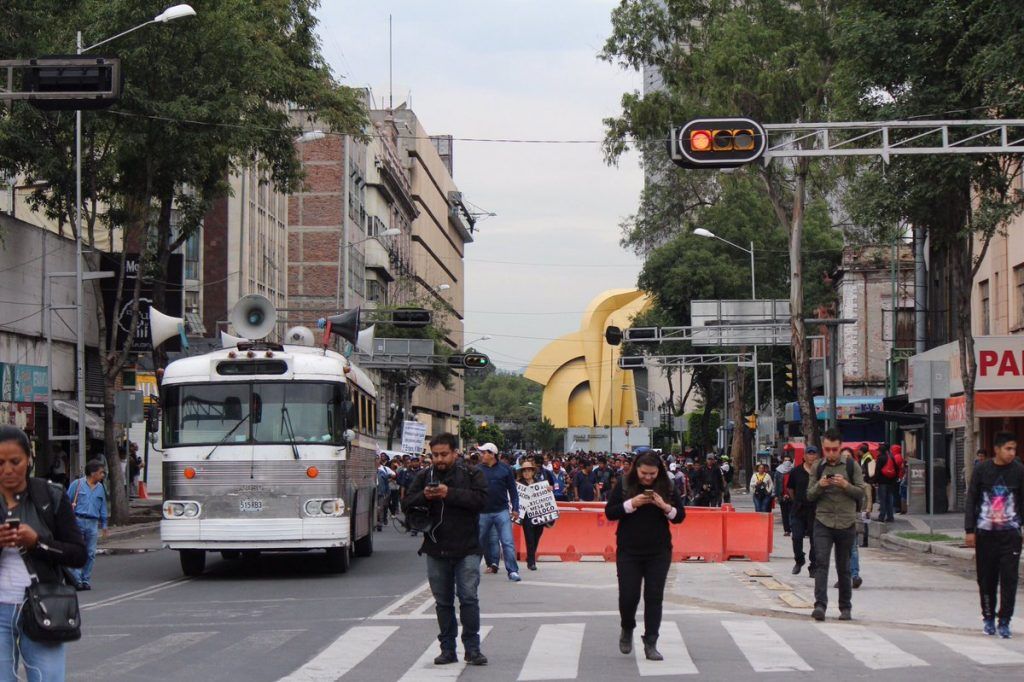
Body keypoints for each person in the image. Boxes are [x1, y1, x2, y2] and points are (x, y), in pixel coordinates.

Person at [0, 425, 87, 680]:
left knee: (48, 677)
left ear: (28, 459)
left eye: (14, 461)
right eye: (0, 462)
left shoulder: (51, 496)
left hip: (44, 606)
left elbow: (78, 554)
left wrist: (37, 543)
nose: (7, 469)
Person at [401, 433, 489, 666]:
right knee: (443, 602)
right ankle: (447, 649)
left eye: (444, 454)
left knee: (468, 598)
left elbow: (482, 501)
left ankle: (472, 648)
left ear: (455, 453)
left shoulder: (472, 473)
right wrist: (425, 495)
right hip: (435, 547)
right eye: (435, 455)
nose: (439, 459)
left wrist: (449, 493)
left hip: (467, 547)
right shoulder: (423, 475)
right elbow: (406, 503)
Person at [605, 452, 686, 662]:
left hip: (659, 551)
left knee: (654, 597)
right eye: (644, 473)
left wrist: (665, 507)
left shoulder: (666, 485)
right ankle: (627, 627)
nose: (648, 478)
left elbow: (680, 516)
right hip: (629, 550)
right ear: (636, 469)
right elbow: (610, 513)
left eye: (652, 473)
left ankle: (651, 642)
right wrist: (632, 504)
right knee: (628, 596)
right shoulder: (624, 483)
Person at [964, 430, 1024, 638]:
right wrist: (969, 530)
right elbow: (972, 499)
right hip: (986, 534)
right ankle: (988, 617)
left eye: (1014, 448)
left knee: (1009, 579)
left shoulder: (1019, 470)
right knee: (986, 578)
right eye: (1008, 448)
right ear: (997, 449)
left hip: (1010, 534)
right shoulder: (982, 470)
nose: (1011, 452)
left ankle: (1005, 620)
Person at [807, 428, 865, 621]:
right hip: (823, 521)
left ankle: (845, 608)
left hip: (846, 522)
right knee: (821, 564)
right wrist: (820, 486)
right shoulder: (818, 467)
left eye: (834, 449)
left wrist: (845, 485)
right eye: (827, 449)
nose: (831, 453)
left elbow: (861, 493)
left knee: (844, 567)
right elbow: (809, 495)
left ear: (840, 447)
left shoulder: (851, 466)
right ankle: (820, 606)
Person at [476, 443, 521, 582]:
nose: (482, 455)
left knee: (507, 542)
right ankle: (471, 571)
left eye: (484, 453)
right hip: (482, 512)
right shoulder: (477, 470)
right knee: (478, 542)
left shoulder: (505, 469)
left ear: (492, 454)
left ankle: (512, 571)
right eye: (482, 453)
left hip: (502, 511)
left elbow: (513, 490)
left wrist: (515, 508)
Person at [66, 459, 109, 590]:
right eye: (101, 473)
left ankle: (86, 579)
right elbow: (66, 502)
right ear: (92, 473)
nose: (103, 476)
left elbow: (103, 506)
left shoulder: (101, 488)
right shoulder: (77, 484)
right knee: (78, 551)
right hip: (78, 520)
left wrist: (105, 524)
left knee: (90, 552)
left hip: (93, 523)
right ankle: (76, 579)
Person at [786, 445, 819, 576]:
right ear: (804, 456)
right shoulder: (796, 471)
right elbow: (790, 489)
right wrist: (797, 500)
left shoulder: (820, 472)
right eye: (809, 454)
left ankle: (814, 566)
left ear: (817, 456)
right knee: (797, 537)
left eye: (813, 453)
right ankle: (799, 560)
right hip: (799, 509)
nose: (811, 456)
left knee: (815, 540)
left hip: (815, 510)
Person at [516, 460, 549, 571]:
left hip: (539, 515)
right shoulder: (518, 484)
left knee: (537, 536)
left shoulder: (539, 482)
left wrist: (549, 490)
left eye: (529, 470)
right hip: (526, 516)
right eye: (524, 470)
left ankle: (530, 557)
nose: (526, 472)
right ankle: (531, 562)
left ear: (533, 472)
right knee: (529, 538)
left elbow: (546, 496)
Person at [874, 445, 898, 522]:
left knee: (882, 500)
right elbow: (896, 469)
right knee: (889, 500)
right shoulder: (891, 457)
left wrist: (875, 481)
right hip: (890, 482)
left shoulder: (880, 458)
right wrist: (894, 480)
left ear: (880, 451)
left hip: (882, 482)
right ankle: (890, 517)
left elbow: (877, 471)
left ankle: (882, 517)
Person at [774, 455, 794, 536]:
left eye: (788, 460)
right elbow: (776, 484)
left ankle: (793, 528)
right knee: (784, 514)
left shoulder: (793, 471)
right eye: (785, 460)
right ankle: (787, 530)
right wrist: (776, 495)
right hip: (782, 495)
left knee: (792, 513)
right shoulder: (778, 472)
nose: (787, 462)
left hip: (792, 496)